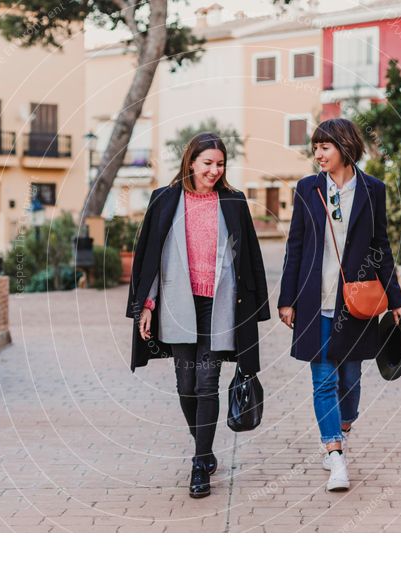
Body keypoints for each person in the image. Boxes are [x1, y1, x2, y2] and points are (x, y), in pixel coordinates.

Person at [126, 133, 271, 499]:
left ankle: (200, 461)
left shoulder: (234, 202)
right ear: (191, 161)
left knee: (207, 383)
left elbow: (250, 258)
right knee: (185, 387)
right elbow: (151, 259)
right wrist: (146, 305)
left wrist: (253, 311)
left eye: (220, 164)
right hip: (178, 304)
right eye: (207, 163)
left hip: (219, 306)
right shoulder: (165, 199)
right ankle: (202, 447)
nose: (214, 170)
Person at [277, 118, 401, 492]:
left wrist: (396, 299)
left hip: (355, 301)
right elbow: (295, 245)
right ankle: (335, 454)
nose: (318, 153)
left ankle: (343, 426)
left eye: (325, 147)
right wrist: (287, 299)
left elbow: (380, 247)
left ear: (345, 147)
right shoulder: (307, 189)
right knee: (323, 379)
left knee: (350, 378)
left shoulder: (372, 190)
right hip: (313, 299)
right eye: (315, 147)